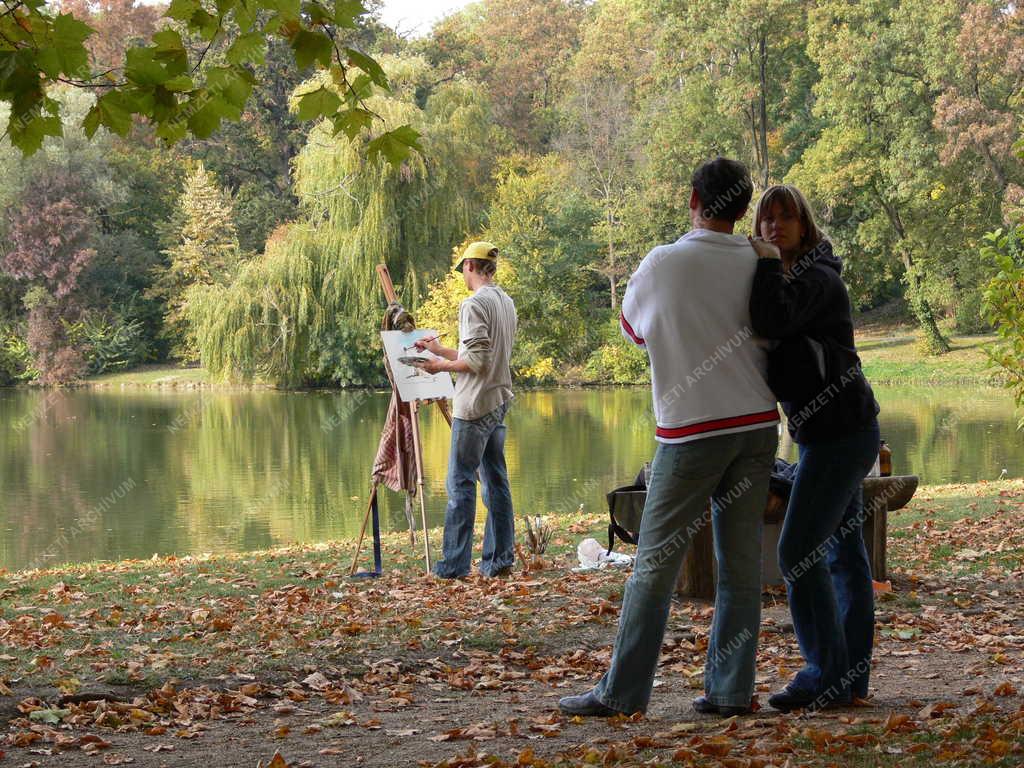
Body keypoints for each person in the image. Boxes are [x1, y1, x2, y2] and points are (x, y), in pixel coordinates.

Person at [559, 158, 780, 718]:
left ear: (693, 200)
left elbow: (634, 330)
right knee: (740, 567)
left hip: (690, 432)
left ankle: (623, 691)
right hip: (756, 427)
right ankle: (731, 690)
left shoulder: (664, 263)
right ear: (740, 208)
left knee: (654, 566)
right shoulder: (762, 261)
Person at [747, 184, 881, 711]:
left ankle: (824, 674)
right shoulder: (793, 278)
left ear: (805, 226)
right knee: (845, 556)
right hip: (831, 435)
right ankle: (847, 679)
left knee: (796, 551)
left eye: (786, 218)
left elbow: (771, 320)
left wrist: (760, 264)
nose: (775, 227)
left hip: (842, 437)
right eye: (766, 220)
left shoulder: (818, 280)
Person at [416, 241, 518, 579]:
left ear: (470, 267)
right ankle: (499, 560)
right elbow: (483, 355)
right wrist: (441, 350)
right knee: (496, 482)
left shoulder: (473, 304)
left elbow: (475, 362)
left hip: (474, 407)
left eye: (463, 267)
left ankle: (453, 566)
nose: (462, 273)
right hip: (499, 400)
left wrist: (435, 367)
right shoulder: (505, 302)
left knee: (460, 484)